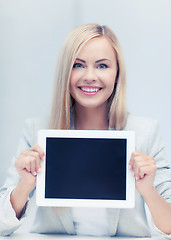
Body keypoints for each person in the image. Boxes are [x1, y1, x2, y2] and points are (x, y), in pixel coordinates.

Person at [0, 23, 171, 238]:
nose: (89, 76)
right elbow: (1, 224)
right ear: (66, 72)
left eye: (102, 66)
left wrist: (148, 190)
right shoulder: (36, 130)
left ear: (117, 73)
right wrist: (24, 186)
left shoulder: (145, 132)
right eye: (78, 65)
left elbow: (169, 225)